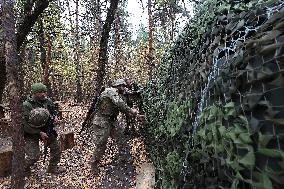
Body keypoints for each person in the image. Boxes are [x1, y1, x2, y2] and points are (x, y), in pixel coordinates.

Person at [88, 79, 143, 174]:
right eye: (123, 86)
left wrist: (136, 116)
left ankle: (123, 157)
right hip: (102, 120)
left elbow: (123, 109)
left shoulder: (119, 95)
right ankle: (94, 164)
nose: (125, 88)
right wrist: (132, 111)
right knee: (101, 144)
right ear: (118, 86)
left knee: (120, 138)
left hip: (112, 120)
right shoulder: (110, 91)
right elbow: (120, 104)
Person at [23, 83, 64, 175]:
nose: (43, 94)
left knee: (56, 148)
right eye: (40, 92)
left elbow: (53, 112)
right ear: (34, 93)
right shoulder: (26, 105)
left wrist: (55, 117)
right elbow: (24, 124)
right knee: (33, 156)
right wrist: (39, 132)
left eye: (44, 92)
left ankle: (52, 168)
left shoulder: (48, 101)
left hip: (47, 129)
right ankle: (23, 168)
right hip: (31, 132)